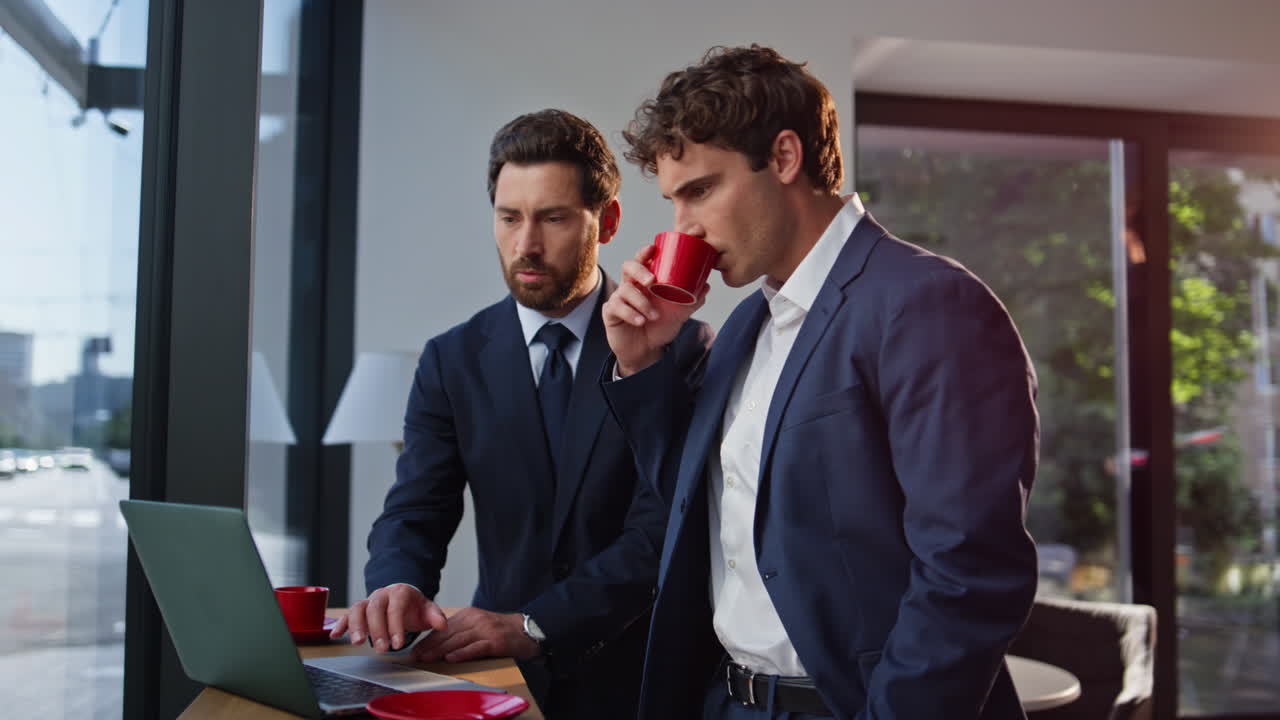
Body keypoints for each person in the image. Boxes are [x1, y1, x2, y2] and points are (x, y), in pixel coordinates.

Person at [600, 45, 1040, 720]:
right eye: (673, 200)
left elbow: (970, 570)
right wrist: (642, 363)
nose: (683, 227)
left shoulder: (929, 303)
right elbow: (698, 511)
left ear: (784, 157)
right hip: (728, 702)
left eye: (700, 191)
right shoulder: (744, 326)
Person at [332, 108, 712, 719]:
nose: (525, 245)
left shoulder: (681, 349)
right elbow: (417, 506)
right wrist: (397, 584)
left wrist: (538, 624)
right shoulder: (451, 359)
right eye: (509, 218)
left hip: (639, 682)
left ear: (607, 221)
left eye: (552, 218)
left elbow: (663, 527)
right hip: (494, 679)